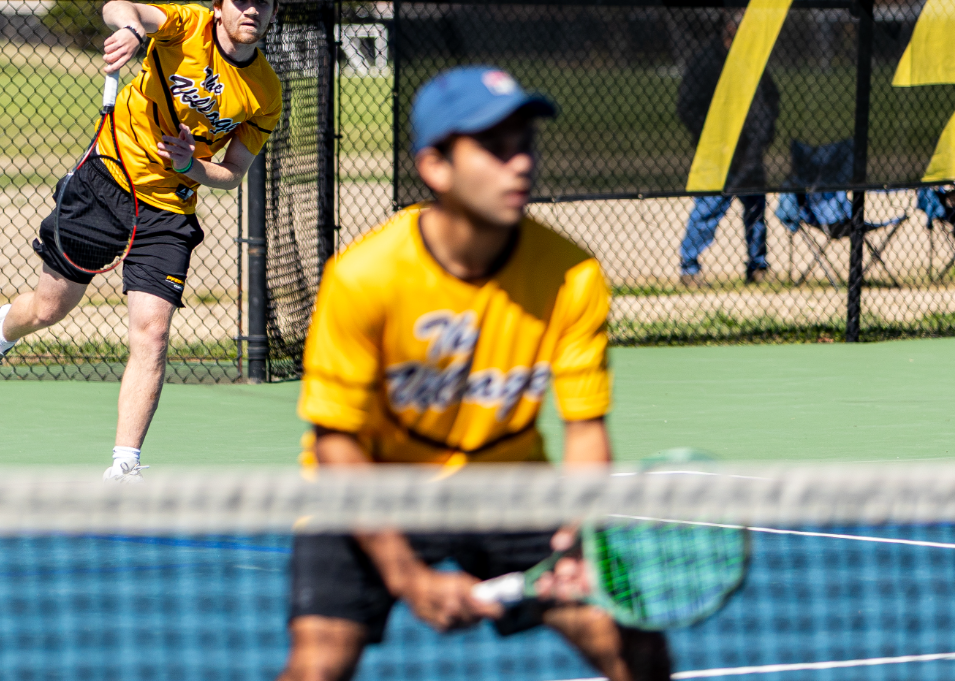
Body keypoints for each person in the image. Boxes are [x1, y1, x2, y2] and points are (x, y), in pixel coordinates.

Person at [280, 66, 671, 681]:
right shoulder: (363, 277)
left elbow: (586, 430)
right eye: (494, 148)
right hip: (375, 485)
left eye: (525, 145)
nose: (519, 164)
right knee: (318, 665)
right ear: (435, 166)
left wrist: (578, 531)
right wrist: (408, 578)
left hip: (507, 487)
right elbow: (335, 444)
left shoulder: (573, 276)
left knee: (636, 648)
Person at [0, 0, 283, 482]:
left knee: (152, 334)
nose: (252, 8)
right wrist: (131, 30)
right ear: (220, 5)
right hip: (107, 179)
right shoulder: (186, 26)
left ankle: (124, 467)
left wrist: (188, 166)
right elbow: (120, 6)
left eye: (262, 0)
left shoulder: (266, 91)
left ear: (271, 13)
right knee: (48, 307)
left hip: (170, 210)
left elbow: (233, 173)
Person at [675, 11, 778, 285]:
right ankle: (690, 267)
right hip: (717, 152)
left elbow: (770, 99)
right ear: (730, 32)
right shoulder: (707, 63)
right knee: (709, 206)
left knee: (756, 208)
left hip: (749, 151)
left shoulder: (752, 61)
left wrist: (763, 135)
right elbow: (687, 106)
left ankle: (758, 266)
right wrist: (713, 138)